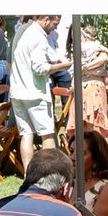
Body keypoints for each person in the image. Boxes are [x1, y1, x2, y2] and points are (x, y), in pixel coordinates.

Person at [9, 13, 67, 152]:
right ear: (46, 20)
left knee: (26, 135)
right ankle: (49, 167)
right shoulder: (39, 37)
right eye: (55, 24)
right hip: (35, 94)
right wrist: (63, 66)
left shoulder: (23, 32)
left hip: (18, 93)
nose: (55, 28)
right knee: (47, 135)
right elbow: (39, 68)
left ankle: (28, 168)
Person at [78, 24, 108, 139]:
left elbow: (105, 57)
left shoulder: (87, 47)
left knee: (93, 121)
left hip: (92, 86)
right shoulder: (95, 46)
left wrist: (84, 68)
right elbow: (107, 54)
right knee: (87, 122)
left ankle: (93, 144)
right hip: (85, 85)